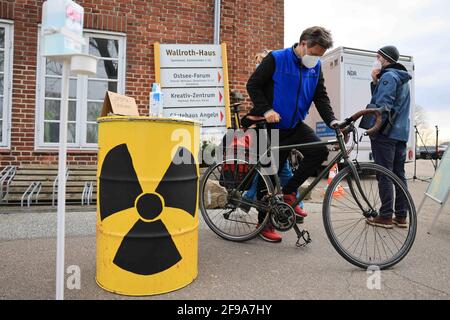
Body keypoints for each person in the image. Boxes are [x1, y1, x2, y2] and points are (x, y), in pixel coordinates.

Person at [244, 26, 338, 243]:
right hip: (270, 125)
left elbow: (320, 97)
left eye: (320, 56)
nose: (316, 60)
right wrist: (266, 110)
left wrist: (332, 120)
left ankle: (288, 193)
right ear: (303, 44)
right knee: (268, 174)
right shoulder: (276, 59)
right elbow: (253, 85)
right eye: (314, 54)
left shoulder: (315, 68)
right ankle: (263, 223)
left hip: (294, 124)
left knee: (319, 150)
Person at [242, 50, 308, 226]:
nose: (260, 65)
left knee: (276, 170)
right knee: (274, 171)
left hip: (278, 128)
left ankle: (249, 200)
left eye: (262, 62)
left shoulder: (276, 79)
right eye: (259, 62)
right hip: (266, 129)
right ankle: (281, 209)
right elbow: (258, 101)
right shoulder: (264, 81)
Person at [365, 45, 412, 229]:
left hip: (386, 133)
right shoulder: (401, 78)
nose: (376, 60)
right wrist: (375, 81)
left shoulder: (388, 76)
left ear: (385, 59)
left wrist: (374, 128)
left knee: (384, 174)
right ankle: (401, 216)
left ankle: (385, 216)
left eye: (378, 57)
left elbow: (383, 106)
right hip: (400, 133)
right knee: (399, 175)